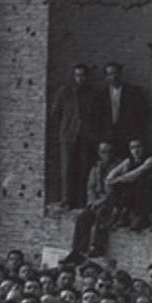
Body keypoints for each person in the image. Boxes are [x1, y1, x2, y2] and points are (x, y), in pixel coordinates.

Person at [49, 64, 96, 209]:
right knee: (67, 168)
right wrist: (65, 128)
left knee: (84, 167)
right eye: (77, 75)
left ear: (87, 77)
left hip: (86, 136)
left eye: (82, 75)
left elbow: (97, 115)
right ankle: (66, 199)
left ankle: (82, 199)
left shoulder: (92, 93)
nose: (80, 78)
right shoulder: (65, 92)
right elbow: (55, 113)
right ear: (73, 76)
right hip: (68, 135)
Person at [66, 142, 122, 262]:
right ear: (99, 153)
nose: (106, 154)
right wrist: (92, 201)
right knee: (83, 218)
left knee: (101, 216)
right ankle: (78, 250)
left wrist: (101, 201)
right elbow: (90, 187)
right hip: (97, 201)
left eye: (109, 151)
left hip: (112, 201)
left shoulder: (119, 166)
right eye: (103, 152)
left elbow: (116, 190)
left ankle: (97, 246)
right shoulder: (96, 167)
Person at [94, 63, 150, 156]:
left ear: (121, 74)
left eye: (116, 73)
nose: (114, 77)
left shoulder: (133, 92)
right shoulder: (101, 95)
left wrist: (137, 133)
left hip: (129, 135)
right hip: (108, 136)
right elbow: (97, 118)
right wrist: (101, 137)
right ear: (106, 77)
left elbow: (142, 114)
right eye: (110, 74)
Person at [106, 138, 152, 232]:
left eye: (139, 147)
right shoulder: (129, 161)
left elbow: (137, 173)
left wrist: (118, 179)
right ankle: (119, 214)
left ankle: (140, 217)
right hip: (132, 191)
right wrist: (111, 180)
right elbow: (112, 174)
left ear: (144, 147)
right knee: (118, 187)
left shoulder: (151, 159)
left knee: (142, 182)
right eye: (132, 148)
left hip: (148, 190)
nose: (136, 150)